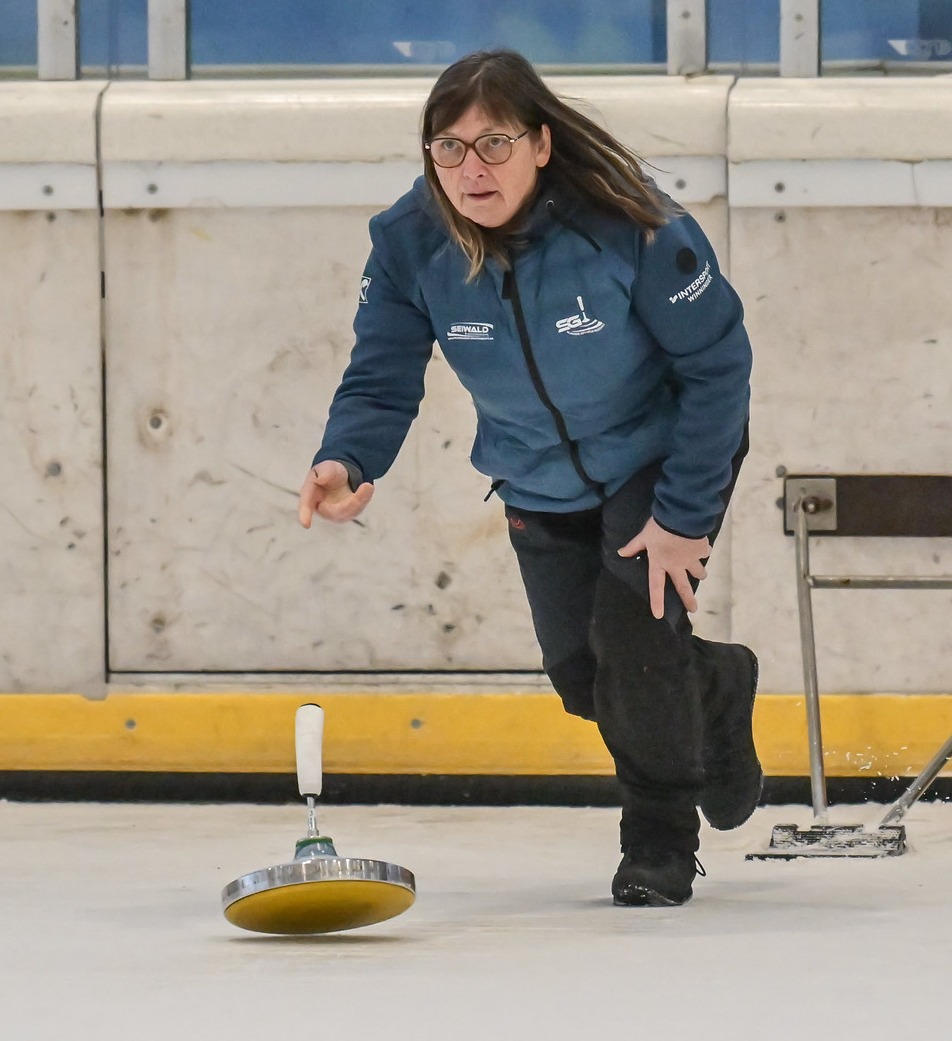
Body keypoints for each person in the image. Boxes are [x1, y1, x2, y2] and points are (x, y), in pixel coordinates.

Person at [296, 49, 760, 906]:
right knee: (584, 677)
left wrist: (684, 514)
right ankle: (717, 687)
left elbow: (719, 367)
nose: (472, 169)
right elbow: (381, 371)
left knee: (634, 646)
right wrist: (347, 456)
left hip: (660, 455)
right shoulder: (410, 243)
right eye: (449, 148)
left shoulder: (630, 226)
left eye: (495, 144)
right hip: (535, 474)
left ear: (541, 145)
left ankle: (658, 842)